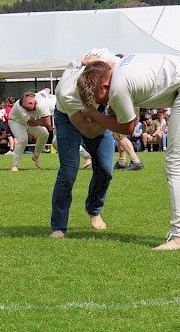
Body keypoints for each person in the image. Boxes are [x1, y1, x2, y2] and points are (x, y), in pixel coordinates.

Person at [77, 53, 180, 250]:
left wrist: (93, 114)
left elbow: (127, 128)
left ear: (104, 86)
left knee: (177, 165)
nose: (104, 104)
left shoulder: (117, 88)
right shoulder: (122, 64)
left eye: (100, 99)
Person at [51, 48, 119, 239]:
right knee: (69, 171)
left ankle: (94, 210)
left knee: (106, 169)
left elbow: (102, 59)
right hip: (68, 117)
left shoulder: (108, 63)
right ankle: (59, 226)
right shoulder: (67, 93)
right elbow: (88, 129)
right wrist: (111, 120)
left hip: (96, 111)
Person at [9, 90, 55, 171]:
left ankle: (35, 156)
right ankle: (15, 165)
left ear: (31, 102)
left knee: (44, 134)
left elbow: (47, 89)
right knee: (23, 139)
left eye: (27, 108)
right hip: (16, 121)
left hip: (30, 122)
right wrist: (43, 122)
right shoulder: (20, 106)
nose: (26, 109)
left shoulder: (38, 99)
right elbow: (30, 122)